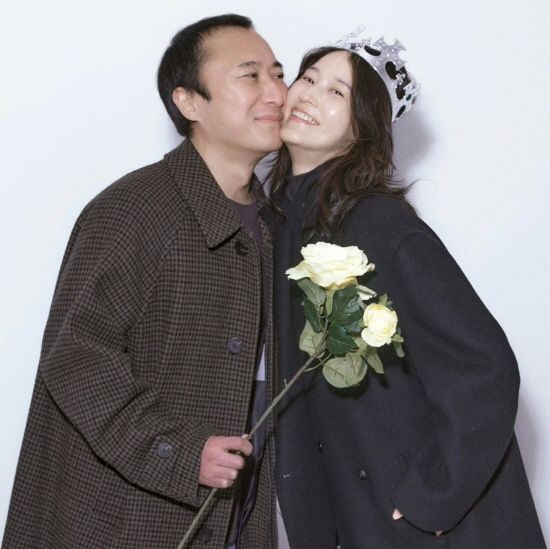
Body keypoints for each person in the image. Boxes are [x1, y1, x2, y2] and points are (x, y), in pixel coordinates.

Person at [2, 14, 286, 549]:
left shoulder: (277, 226)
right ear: (189, 102)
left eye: (278, 73)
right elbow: (75, 357)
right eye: (250, 75)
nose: (275, 91)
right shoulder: (134, 210)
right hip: (122, 521)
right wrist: (177, 453)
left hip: (234, 518)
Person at [271, 31, 546, 548]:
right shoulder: (283, 225)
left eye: (336, 92)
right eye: (307, 78)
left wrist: (431, 496)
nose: (308, 94)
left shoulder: (379, 225)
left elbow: (484, 365)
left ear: (362, 129)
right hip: (354, 511)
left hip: (419, 521)